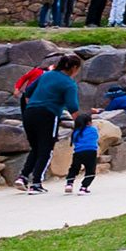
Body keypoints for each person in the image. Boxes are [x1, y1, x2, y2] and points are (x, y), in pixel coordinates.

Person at [16, 56, 81, 192]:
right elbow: (72, 106)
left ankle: (23, 177)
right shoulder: (69, 83)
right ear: (74, 68)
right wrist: (81, 124)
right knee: (46, 149)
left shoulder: (46, 75)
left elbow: (28, 91)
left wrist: (33, 105)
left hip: (30, 113)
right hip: (48, 114)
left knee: (35, 147)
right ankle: (36, 183)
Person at [63, 109, 100, 194]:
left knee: (74, 168)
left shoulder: (75, 132)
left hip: (78, 153)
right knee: (90, 171)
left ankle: (69, 183)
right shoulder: (93, 130)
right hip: (91, 152)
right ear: (89, 122)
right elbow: (96, 138)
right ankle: (83, 187)